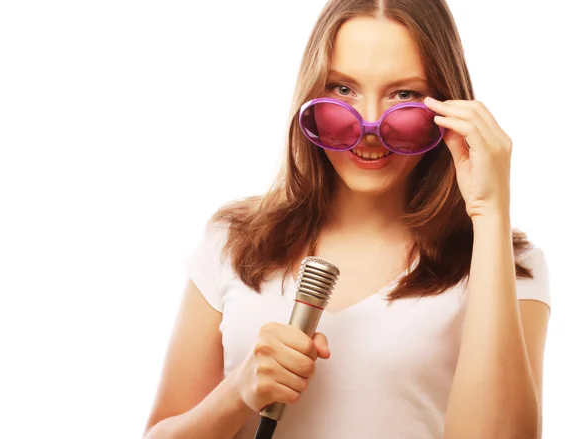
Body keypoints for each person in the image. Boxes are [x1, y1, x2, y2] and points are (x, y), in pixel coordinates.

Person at [143, 0, 551, 438]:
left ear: (447, 108)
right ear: (313, 95)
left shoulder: (507, 263)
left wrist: (489, 212)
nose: (370, 126)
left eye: (404, 94)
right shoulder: (235, 242)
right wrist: (239, 391)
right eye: (343, 89)